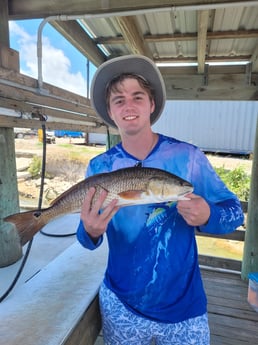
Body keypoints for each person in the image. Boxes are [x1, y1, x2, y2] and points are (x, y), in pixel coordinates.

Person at [77, 55, 244, 345]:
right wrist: (89, 232)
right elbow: (85, 237)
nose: (128, 106)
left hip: (185, 309)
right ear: (110, 112)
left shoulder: (188, 157)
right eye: (118, 100)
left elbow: (234, 214)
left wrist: (207, 216)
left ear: (152, 105)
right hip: (121, 304)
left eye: (137, 97)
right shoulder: (99, 167)